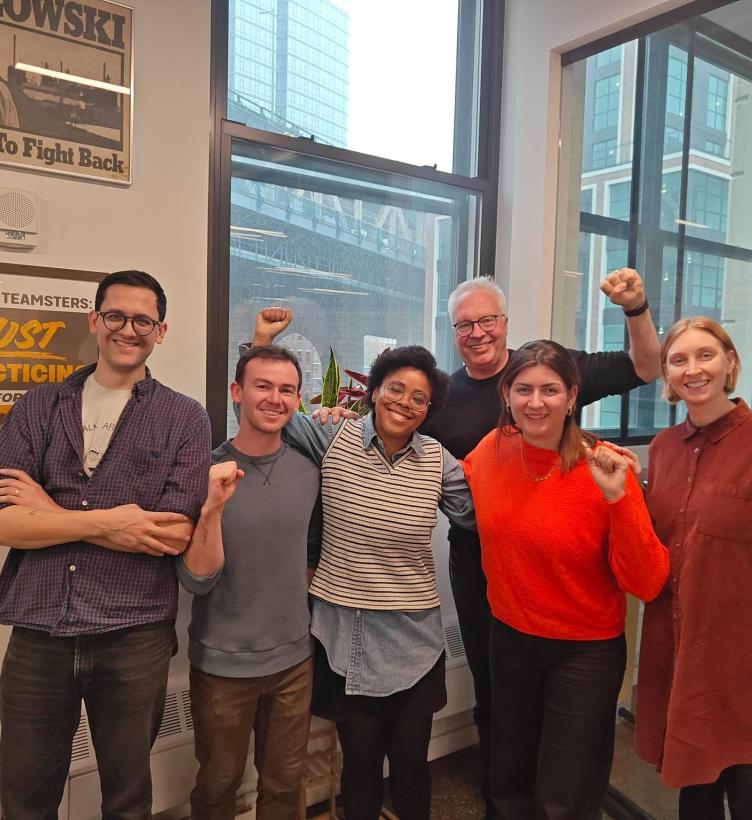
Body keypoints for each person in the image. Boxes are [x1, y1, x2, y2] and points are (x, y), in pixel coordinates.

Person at [419, 269, 662, 796]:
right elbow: (401, 442)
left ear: (570, 395)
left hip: (574, 609)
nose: (477, 332)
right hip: (489, 577)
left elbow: (647, 367)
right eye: (464, 325)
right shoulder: (460, 417)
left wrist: (636, 309)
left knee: (568, 752)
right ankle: (499, 792)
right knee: (500, 708)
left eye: (487, 320)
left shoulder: (559, 378)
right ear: (506, 398)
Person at [0, 270, 211, 819]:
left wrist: (50, 511)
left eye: (143, 320)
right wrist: (110, 523)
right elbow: (5, 522)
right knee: (23, 799)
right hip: (40, 628)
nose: (128, 329)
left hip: (133, 633)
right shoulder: (38, 406)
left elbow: (173, 534)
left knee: (128, 798)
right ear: (94, 320)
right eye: (116, 315)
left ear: (161, 331)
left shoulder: (184, 417)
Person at [272, 340, 474, 820]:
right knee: (360, 764)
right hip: (346, 633)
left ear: (429, 409)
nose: (404, 403)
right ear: (375, 390)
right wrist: (261, 342)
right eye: (395, 389)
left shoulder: (438, 460)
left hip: (414, 637)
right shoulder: (333, 436)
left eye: (419, 398)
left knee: (410, 764)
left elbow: (477, 515)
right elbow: (273, 413)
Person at [634, 316, 752, 820]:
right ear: (667, 375)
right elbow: (660, 551)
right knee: (695, 805)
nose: (693, 369)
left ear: (730, 362)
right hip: (686, 665)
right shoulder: (663, 448)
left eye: (706, 355)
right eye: (679, 360)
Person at [177, 346, 321, 820]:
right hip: (223, 665)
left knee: (285, 785)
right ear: (237, 392)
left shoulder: (309, 471)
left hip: (294, 661)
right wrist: (213, 507)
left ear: (297, 400)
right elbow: (197, 579)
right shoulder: (204, 472)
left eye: (286, 389)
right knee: (218, 784)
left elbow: (311, 556)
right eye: (263, 386)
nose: (275, 398)